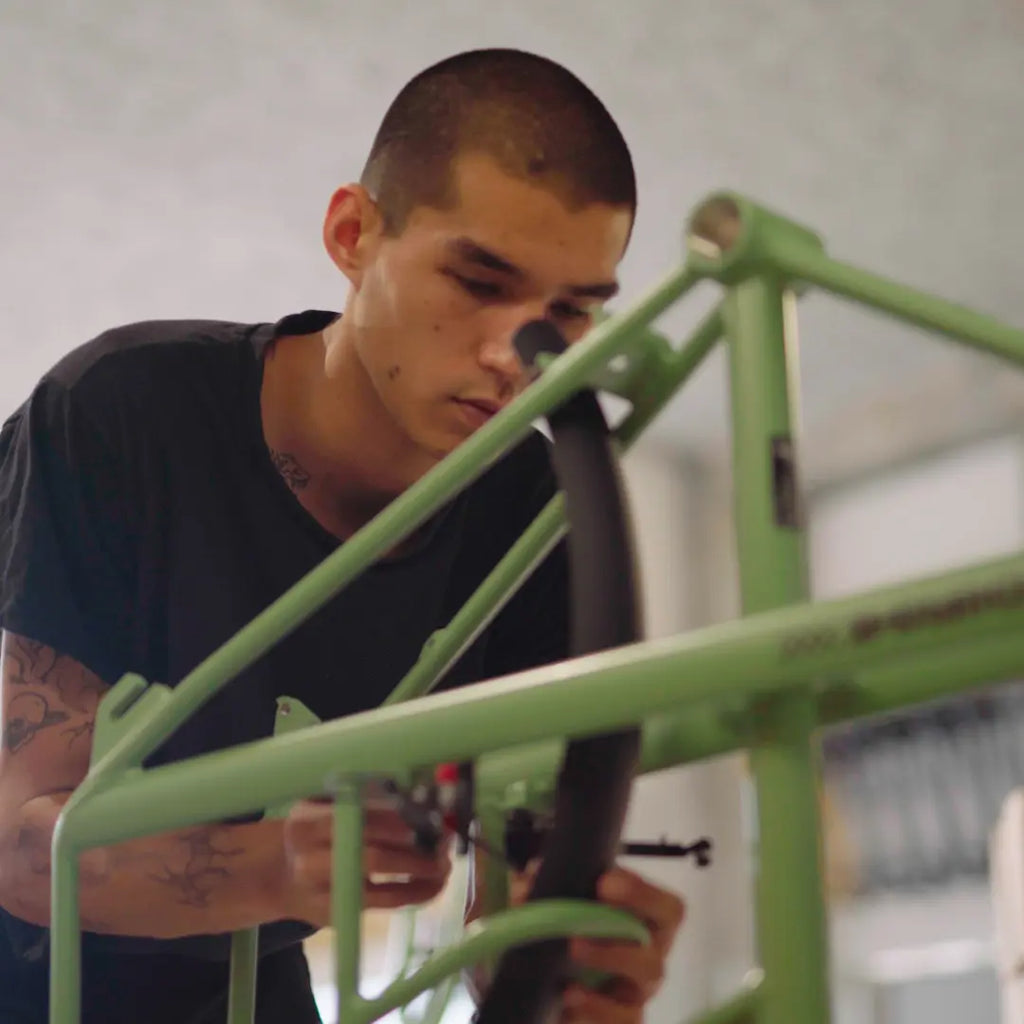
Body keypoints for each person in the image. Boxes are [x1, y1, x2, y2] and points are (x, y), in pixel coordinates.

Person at [0, 48, 685, 1023]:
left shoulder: (536, 517)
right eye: (477, 279)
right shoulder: (124, 410)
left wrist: (568, 961)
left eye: (567, 313)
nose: (512, 354)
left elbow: (510, 919)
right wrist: (279, 860)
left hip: (256, 980)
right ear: (353, 232)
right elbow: (28, 851)